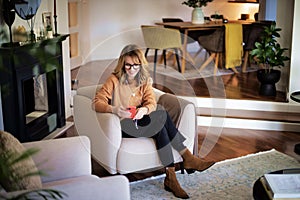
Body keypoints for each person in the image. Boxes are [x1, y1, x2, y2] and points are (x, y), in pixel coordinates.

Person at [92, 44, 214, 199]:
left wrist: (144, 110)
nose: (131, 69)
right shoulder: (114, 80)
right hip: (122, 125)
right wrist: (115, 110)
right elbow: (97, 102)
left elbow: (151, 102)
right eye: (128, 65)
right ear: (122, 64)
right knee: (162, 114)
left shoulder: (144, 81)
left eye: (135, 65)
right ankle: (187, 159)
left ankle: (171, 176)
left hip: (140, 121)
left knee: (161, 120)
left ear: (140, 65)